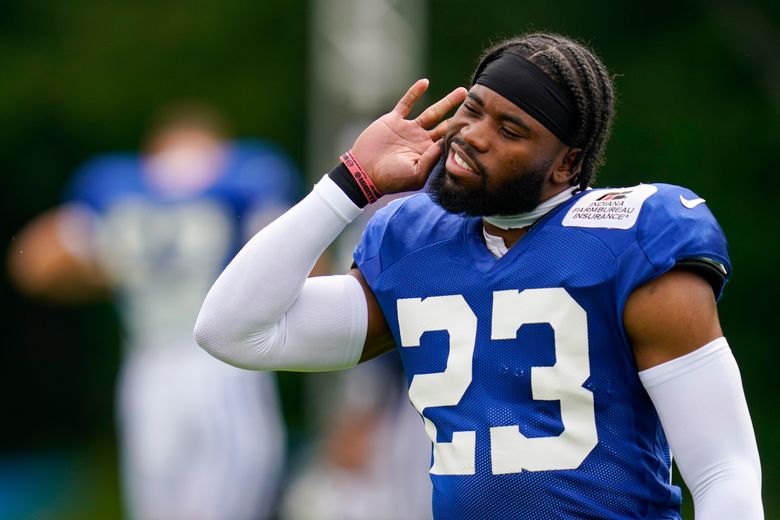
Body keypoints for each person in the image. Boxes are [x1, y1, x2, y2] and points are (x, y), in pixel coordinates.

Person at [194, 32, 763, 519]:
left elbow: (723, 470)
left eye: (511, 130)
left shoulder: (633, 238)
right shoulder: (414, 242)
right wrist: (350, 183)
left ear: (567, 162)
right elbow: (230, 330)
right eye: (474, 109)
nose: (473, 135)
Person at [9, 104, 298, 520]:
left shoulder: (115, 187)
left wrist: (116, 267)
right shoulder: (246, 176)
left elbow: (33, 263)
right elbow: (303, 261)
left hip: (149, 370)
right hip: (228, 362)